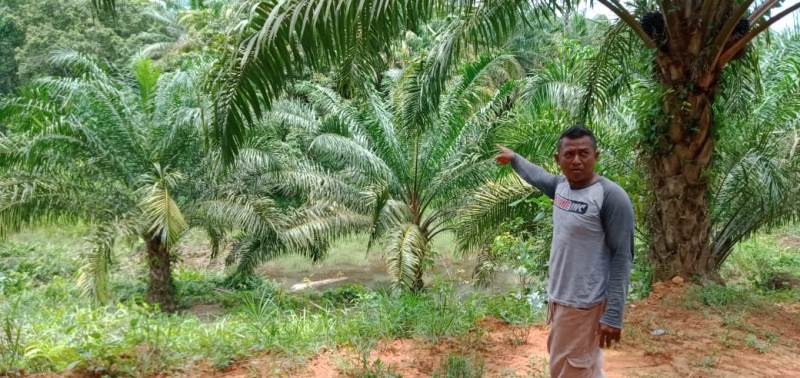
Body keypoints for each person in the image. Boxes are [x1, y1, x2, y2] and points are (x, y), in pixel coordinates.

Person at [495, 125, 634, 378]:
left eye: (584, 153)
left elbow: (622, 257)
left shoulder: (610, 197)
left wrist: (613, 314)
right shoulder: (561, 188)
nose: (577, 161)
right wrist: (514, 159)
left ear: (596, 156)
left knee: (569, 367)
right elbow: (537, 176)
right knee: (582, 364)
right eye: (569, 154)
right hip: (560, 298)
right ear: (557, 159)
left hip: (583, 302)